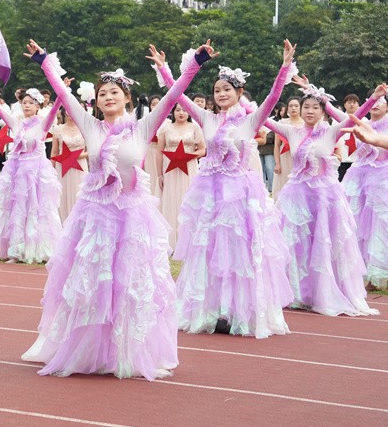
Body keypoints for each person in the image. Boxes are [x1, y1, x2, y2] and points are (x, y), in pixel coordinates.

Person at [21, 39, 214, 380]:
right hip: (95, 217)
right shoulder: (89, 125)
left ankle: (126, 351)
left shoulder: (144, 126)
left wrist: (196, 61)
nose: (108, 97)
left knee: (131, 286)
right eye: (102, 93)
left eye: (114, 92)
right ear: (95, 101)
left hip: (132, 218)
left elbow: (175, 93)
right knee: (92, 285)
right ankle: (88, 350)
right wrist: (43, 61)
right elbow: (62, 93)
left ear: (126, 97)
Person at [149, 41, 296, 337]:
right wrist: (164, 69)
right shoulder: (207, 118)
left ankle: (236, 312)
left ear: (239, 93)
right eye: (217, 90)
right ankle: (211, 309)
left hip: (239, 195)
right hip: (209, 194)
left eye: (227, 89)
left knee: (238, 253)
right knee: (209, 251)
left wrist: (284, 67)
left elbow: (273, 97)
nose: (221, 94)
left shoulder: (251, 120)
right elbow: (177, 94)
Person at [271, 78, 383, 316]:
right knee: (298, 244)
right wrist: (240, 101)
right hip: (297, 196)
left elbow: (355, 117)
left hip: (325, 196)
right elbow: (262, 118)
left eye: (315, 107)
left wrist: (373, 98)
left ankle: (325, 292)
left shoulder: (331, 131)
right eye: (306, 107)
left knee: (324, 244)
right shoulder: (290, 130)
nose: (309, 111)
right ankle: (299, 293)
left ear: (323, 111)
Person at [0, 76, 63, 264]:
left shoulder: (43, 124)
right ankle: (16, 250)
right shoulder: (17, 124)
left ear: (38, 106)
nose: (26, 105)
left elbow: (54, 110)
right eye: (24, 102)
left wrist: (61, 92)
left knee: (37, 208)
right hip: (18, 171)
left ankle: (38, 248)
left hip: (36, 172)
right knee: (17, 209)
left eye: (31, 103)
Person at [156, 103, 205, 249]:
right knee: (171, 199)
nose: (181, 113)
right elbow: (159, 152)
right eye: (178, 110)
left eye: (184, 110)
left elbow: (202, 149)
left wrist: (188, 157)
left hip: (189, 167)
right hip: (170, 169)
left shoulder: (195, 128)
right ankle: (171, 242)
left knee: (189, 200)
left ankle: (189, 241)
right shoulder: (165, 128)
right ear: (173, 112)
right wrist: (159, 175)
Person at [51, 105, 88, 223]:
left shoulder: (85, 129)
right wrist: (51, 171)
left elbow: (92, 151)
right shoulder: (57, 129)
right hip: (62, 167)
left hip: (80, 166)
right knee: (63, 196)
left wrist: (78, 156)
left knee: (80, 195)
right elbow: (54, 152)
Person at [272, 96, 303, 199]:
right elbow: (277, 145)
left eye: (296, 106)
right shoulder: (281, 123)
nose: (293, 108)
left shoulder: (305, 123)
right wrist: (277, 163)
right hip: (284, 156)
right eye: (291, 106)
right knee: (284, 184)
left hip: (300, 157)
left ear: (301, 107)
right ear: (287, 108)